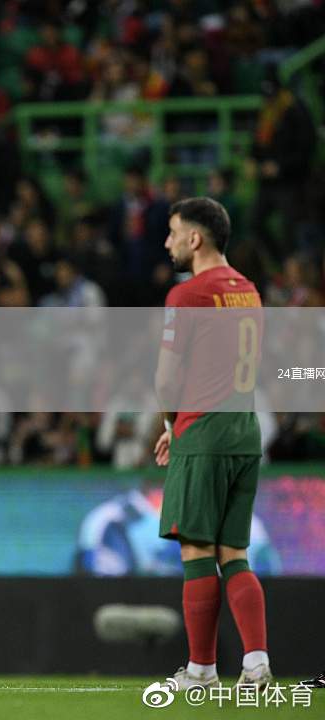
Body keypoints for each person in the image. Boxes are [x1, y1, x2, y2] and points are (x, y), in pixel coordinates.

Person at [153, 197, 270, 689]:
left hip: (203, 433)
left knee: (197, 550)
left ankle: (201, 670)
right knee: (234, 553)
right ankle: (256, 662)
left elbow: (166, 380)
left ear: (195, 238)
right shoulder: (249, 291)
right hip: (244, 432)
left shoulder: (187, 295)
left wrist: (170, 424)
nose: (168, 242)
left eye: (173, 232)